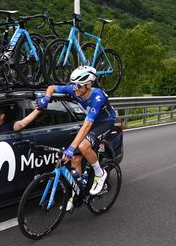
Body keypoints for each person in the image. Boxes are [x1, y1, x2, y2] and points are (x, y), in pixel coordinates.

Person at [36, 65, 117, 211]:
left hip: (105, 122)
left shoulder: (97, 96)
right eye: (73, 84)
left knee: (83, 146)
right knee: (75, 159)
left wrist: (71, 148)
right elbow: (52, 87)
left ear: (89, 84)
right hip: (91, 122)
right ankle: (76, 193)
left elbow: (86, 126)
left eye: (78, 85)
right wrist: (46, 98)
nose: (74, 88)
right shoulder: (74, 89)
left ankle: (100, 173)